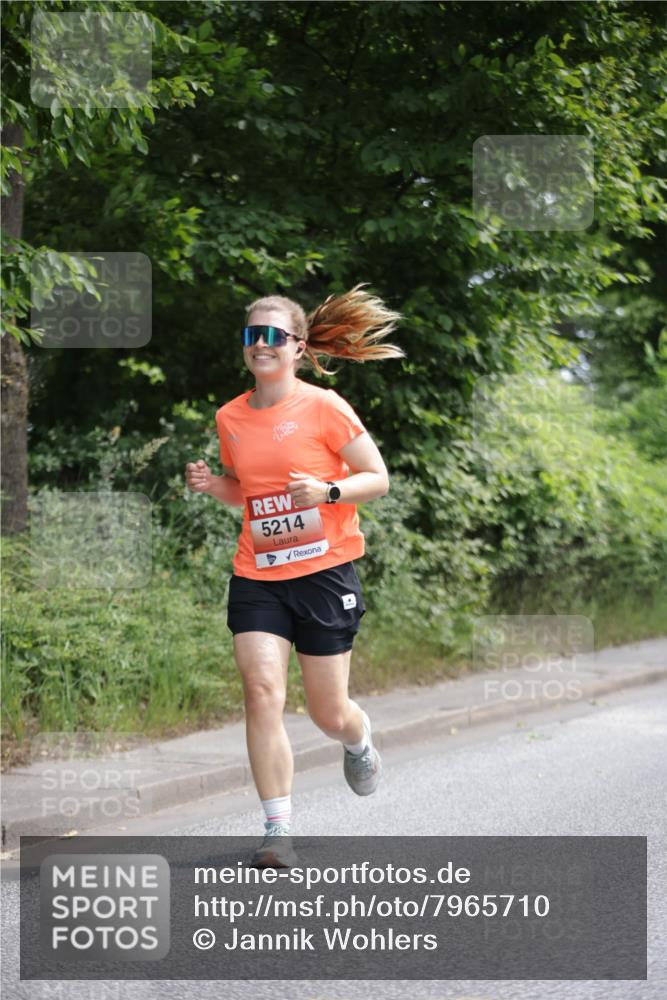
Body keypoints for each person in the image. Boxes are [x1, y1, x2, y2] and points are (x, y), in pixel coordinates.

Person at [185, 282, 405, 867]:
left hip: (326, 574)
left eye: (272, 336)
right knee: (261, 692)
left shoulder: (324, 406)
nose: (260, 345)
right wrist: (215, 488)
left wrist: (327, 488)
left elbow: (376, 477)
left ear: (298, 347)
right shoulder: (230, 415)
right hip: (258, 571)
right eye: (251, 335)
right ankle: (277, 830)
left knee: (327, 713)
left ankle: (357, 739)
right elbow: (247, 492)